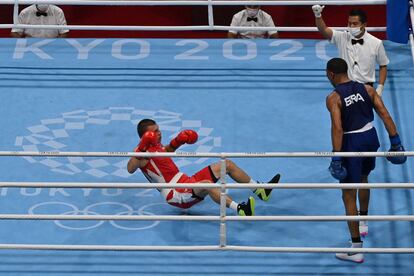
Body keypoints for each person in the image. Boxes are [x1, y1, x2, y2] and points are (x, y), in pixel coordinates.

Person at [325, 58, 406, 263]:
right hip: (371, 137)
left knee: (348, 193)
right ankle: (363, 222)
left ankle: (356, 248)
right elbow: (384, 114)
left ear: (331, 74)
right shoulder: (367, 89)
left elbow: (337, 128)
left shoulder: (333, 97)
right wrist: (395, 141)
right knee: (364, 177)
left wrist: (336, 156)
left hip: (352, 141)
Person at [127, 119, 281, 216]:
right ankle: (241, 209)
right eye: (155, 132)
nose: (159, 133)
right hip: (174, 192)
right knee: (207, 185)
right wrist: (141, 147)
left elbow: (165, 153)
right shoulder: (141, 153)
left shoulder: (157, 146)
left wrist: (178, 141)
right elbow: (130, 168)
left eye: (159, 129)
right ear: (145, 135)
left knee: (226, 164)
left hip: (185, 181)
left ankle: (260, 190)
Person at [312, 6, 389, 97]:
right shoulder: (342, 37)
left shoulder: (376, 43)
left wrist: (380, 87)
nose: (351, 26)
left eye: (355, 23)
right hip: (344, 86)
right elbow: (323, 30)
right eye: (349, 23)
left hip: (365, 87)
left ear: (364, 24)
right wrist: (318, 15)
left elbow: (383, 65)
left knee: (366, 111)